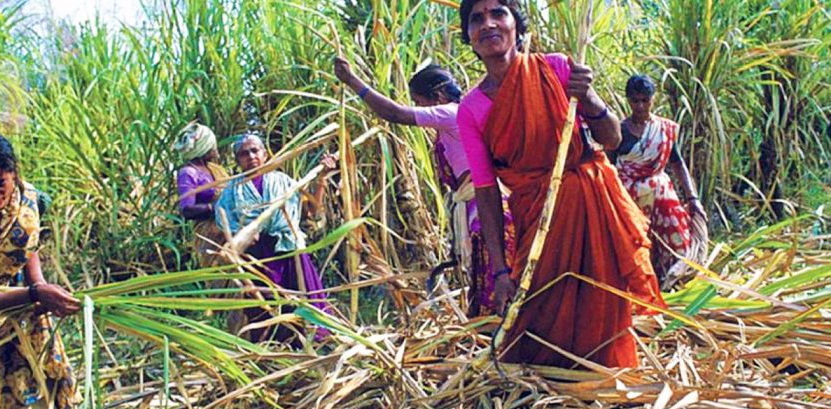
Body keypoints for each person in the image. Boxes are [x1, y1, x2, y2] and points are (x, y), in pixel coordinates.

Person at [456, 0, 666, 368]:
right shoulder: (471, 109)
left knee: (599, 302)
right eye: (477, 18)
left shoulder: (555, 68)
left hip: (592, 205)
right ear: (469, 37)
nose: (488, 23)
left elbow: (612, 138)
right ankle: (546, 395)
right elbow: (487, 191)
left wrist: (588, 95)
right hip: (536, 217)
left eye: (498, 13)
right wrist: (501, 271)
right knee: (538, 312)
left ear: (516, 25)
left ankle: (598, 388)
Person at [334, 57, 515, 317]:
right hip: (474, 202)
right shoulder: (455, 120)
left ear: (438, 96)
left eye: (419, 102)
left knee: (493, 275)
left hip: (483, 203)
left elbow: (396, 114)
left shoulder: (451, 112)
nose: (418, 108)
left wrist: (352, 81)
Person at [0, 133, 79, 409]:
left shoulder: (29, 201)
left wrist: (39, 286)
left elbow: (30, 248)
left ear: (13, 173)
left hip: (24, 314)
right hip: (0, 309)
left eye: (0, 183)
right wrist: (32, 293)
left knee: (36, 389)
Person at [215, 134, 332, 343]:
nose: (250, 156)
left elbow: (312, 210)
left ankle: (314, 343)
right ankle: (274, 348)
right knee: (264, 304)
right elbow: (225, 221)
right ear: (237, 160)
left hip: (288, 248)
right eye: (244, 153)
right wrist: (242, 235)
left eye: (255, 151)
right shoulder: (232, 191)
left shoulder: (282, 181)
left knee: (303, 297)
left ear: (265, 154)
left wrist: (322, 179)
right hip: (257, 255)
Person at [612, 75, 707, 280]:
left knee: (669, 235)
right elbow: (608, 168)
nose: (640, 106)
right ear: (628, 100)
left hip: (661, 198)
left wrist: (693, 199)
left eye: (645, 100)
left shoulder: (663, 130)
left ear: (653, 99)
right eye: (635, 100)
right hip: (628, 198)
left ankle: (671, 275)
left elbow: (677, 163)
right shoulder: (619, 131)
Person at [174, 122, 229, 267]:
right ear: (204, 147)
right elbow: (186, 209)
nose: (216, 148)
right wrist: (215, 208)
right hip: (209, 234)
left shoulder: (214, 168)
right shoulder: (188, 173)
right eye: (212, 145)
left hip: (228, 229)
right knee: (219, 272)